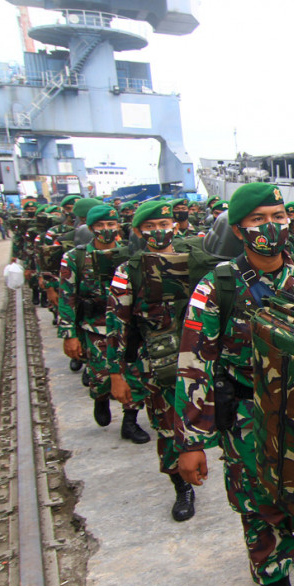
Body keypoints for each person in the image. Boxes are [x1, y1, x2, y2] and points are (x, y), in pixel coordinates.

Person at [175, 182, 294, 586]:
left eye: (279, 216)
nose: (272, 227)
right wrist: (191, 441)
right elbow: (194, 365)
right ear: (241, 228)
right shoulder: (219, 286)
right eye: (260, 219)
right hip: (247, 418)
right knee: (259, 508)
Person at [107, 201, 195, 521]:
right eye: (151, 226)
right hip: (161, 365)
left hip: (201, 355)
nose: (160, 231)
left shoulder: (194, 258)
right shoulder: (128, 271)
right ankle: (181, 487)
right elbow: (118, 326)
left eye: (165, 223)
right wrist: (116, 374)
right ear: (137, 231)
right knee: (170, 429)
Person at [58, 203, 150, 442]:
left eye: (111, 224)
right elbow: (66, 296)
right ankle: (100, 398)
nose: (106, 229)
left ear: (118, 225)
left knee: (134, 373)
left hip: (126, 327)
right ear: (90, 228)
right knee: (101, 376)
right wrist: (69, 334)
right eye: (100, 225)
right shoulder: (75, 258)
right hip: (95, 327)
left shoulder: (129, 255)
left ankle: (130, 421)